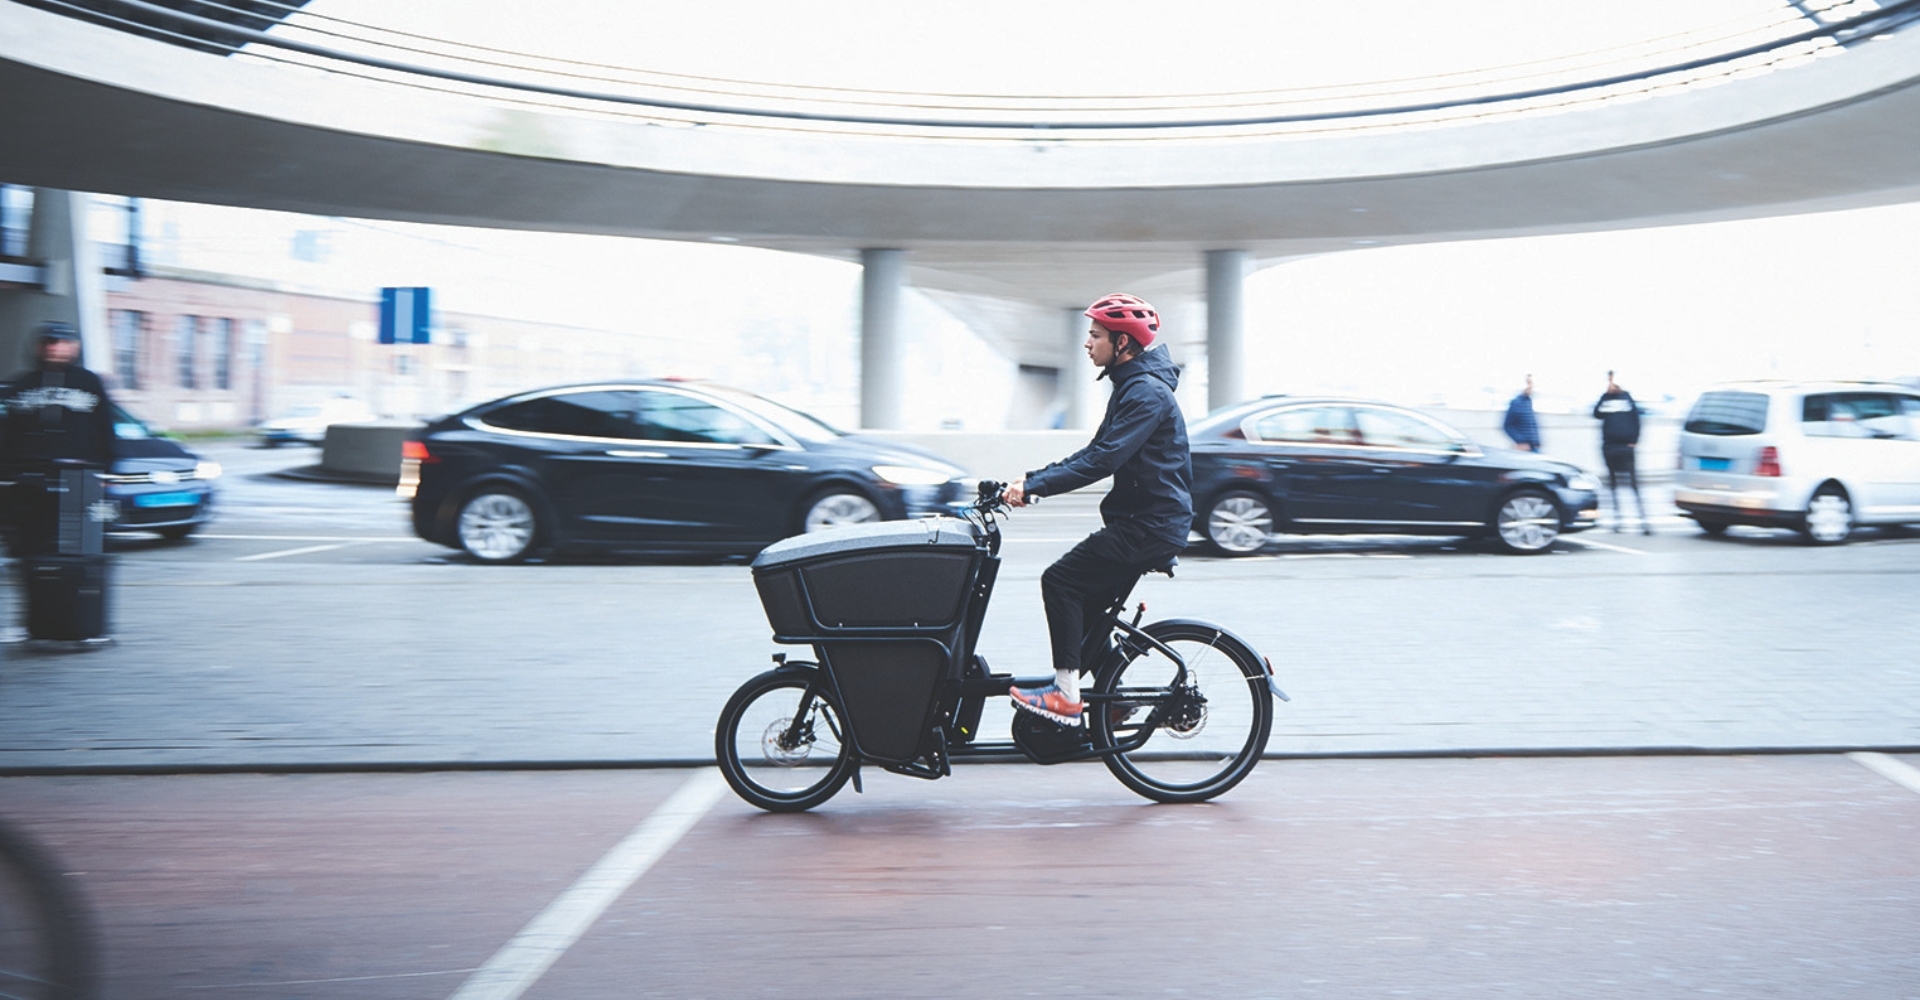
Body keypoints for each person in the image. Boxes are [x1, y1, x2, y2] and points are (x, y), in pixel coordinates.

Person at [1000, 293, 1192, 724]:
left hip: (1148, 527)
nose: (1087, 343)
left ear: (1122, 343)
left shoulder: (1145, 393)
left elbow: (1104, 461)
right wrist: (1029, 480)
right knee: (1086, 603)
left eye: (1096, 335)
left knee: (1061, 581)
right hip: (1144, 522)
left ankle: (1066, 695)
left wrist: (1035, 488)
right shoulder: (1133, 386)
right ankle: (1114, 700)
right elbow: (1095, 451)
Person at [1, 322, 119, 642]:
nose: (55, 348)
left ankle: (83, 624)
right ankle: (34, 624)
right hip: (29, 482)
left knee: (81, 553)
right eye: (49, 342)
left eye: (63, 342)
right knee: (29, 556)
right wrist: (9, 476)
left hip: (80, 480)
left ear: (75, 347)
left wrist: (105, 471)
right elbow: (9, 436)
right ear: (39, 346)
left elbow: (105, 429)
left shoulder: (89, 383)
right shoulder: (22, 385)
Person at [1592, 369, 1649, 535]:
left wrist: (1635, 441)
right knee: (1613, 485)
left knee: (1633, 485)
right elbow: (1596, 414)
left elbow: (1637, 420)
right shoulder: (1606, 399)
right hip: (1609, 447)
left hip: (1626, 447)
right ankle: (1618, 521)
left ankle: (1643, 522)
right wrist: (1604, 395)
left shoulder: (1628, 399)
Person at [1502, 375, 1541, 452]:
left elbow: (1531, 426)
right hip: (1524, 448)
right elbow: (1507, 425)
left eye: (1532, 384)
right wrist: (1520, 441)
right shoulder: (1516, 403)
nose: (1531, 387)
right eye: (1529, 384)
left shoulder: (1528, 402)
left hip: (1534, 447)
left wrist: (1537, 441)